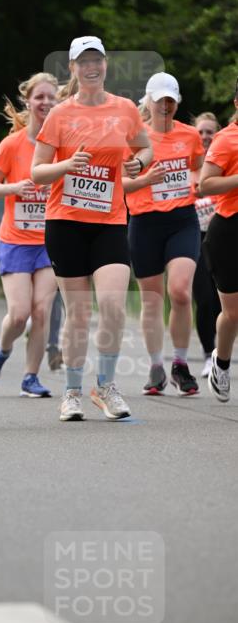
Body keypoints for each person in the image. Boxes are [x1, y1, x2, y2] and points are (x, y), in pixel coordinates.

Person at [31, 35, 152, 421]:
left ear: (105, 64)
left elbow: (144, 148)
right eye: (83, 61)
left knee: (114, 306)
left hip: (110, 222)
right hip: (66, 222)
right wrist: (66, 167)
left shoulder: (125, 109)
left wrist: (138, 163)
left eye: (97, 59)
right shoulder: (60, 114)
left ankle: (105, 386)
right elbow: (37, 171)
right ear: (72, 68)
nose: (91, 66)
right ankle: (71, 392)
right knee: (79, 314)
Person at [124, 73, 205, 395]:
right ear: (149, 101)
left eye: (171, 100)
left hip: (182, 219)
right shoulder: (134, 137)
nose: (166, 106)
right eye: (160, 100)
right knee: (152, 299)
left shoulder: (190, 135)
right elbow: (121, 184)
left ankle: (181, 364)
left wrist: (197, 180)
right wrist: (147, 180)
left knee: (182, 291)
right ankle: (156, 366)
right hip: (144, 222)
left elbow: (198, 166)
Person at [0, 72, 58, 397]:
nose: (45, 103)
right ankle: (2, 348)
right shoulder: (12, 144)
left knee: (42, 311)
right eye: (39, 97)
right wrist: (14, 187)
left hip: (51, 241)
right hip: (15, 240)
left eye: (51, 97)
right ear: (28, 100)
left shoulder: (63, 144)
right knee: (19, 314)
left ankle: (30, 377)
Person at [199, 80, 238, 402]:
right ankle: (221, 362)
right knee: (233, 313)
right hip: (229, 231)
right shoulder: (226, 140)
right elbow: (205, 184)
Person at [192, 111, 222, 377]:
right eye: (200, 131)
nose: (204, 136)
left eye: (209, 132)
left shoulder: (224, 163)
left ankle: (222, 351)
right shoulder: (188, 165)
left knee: (221, 298)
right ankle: (207, 354)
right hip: (194, 237)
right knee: (203, 297)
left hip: (221, 235)